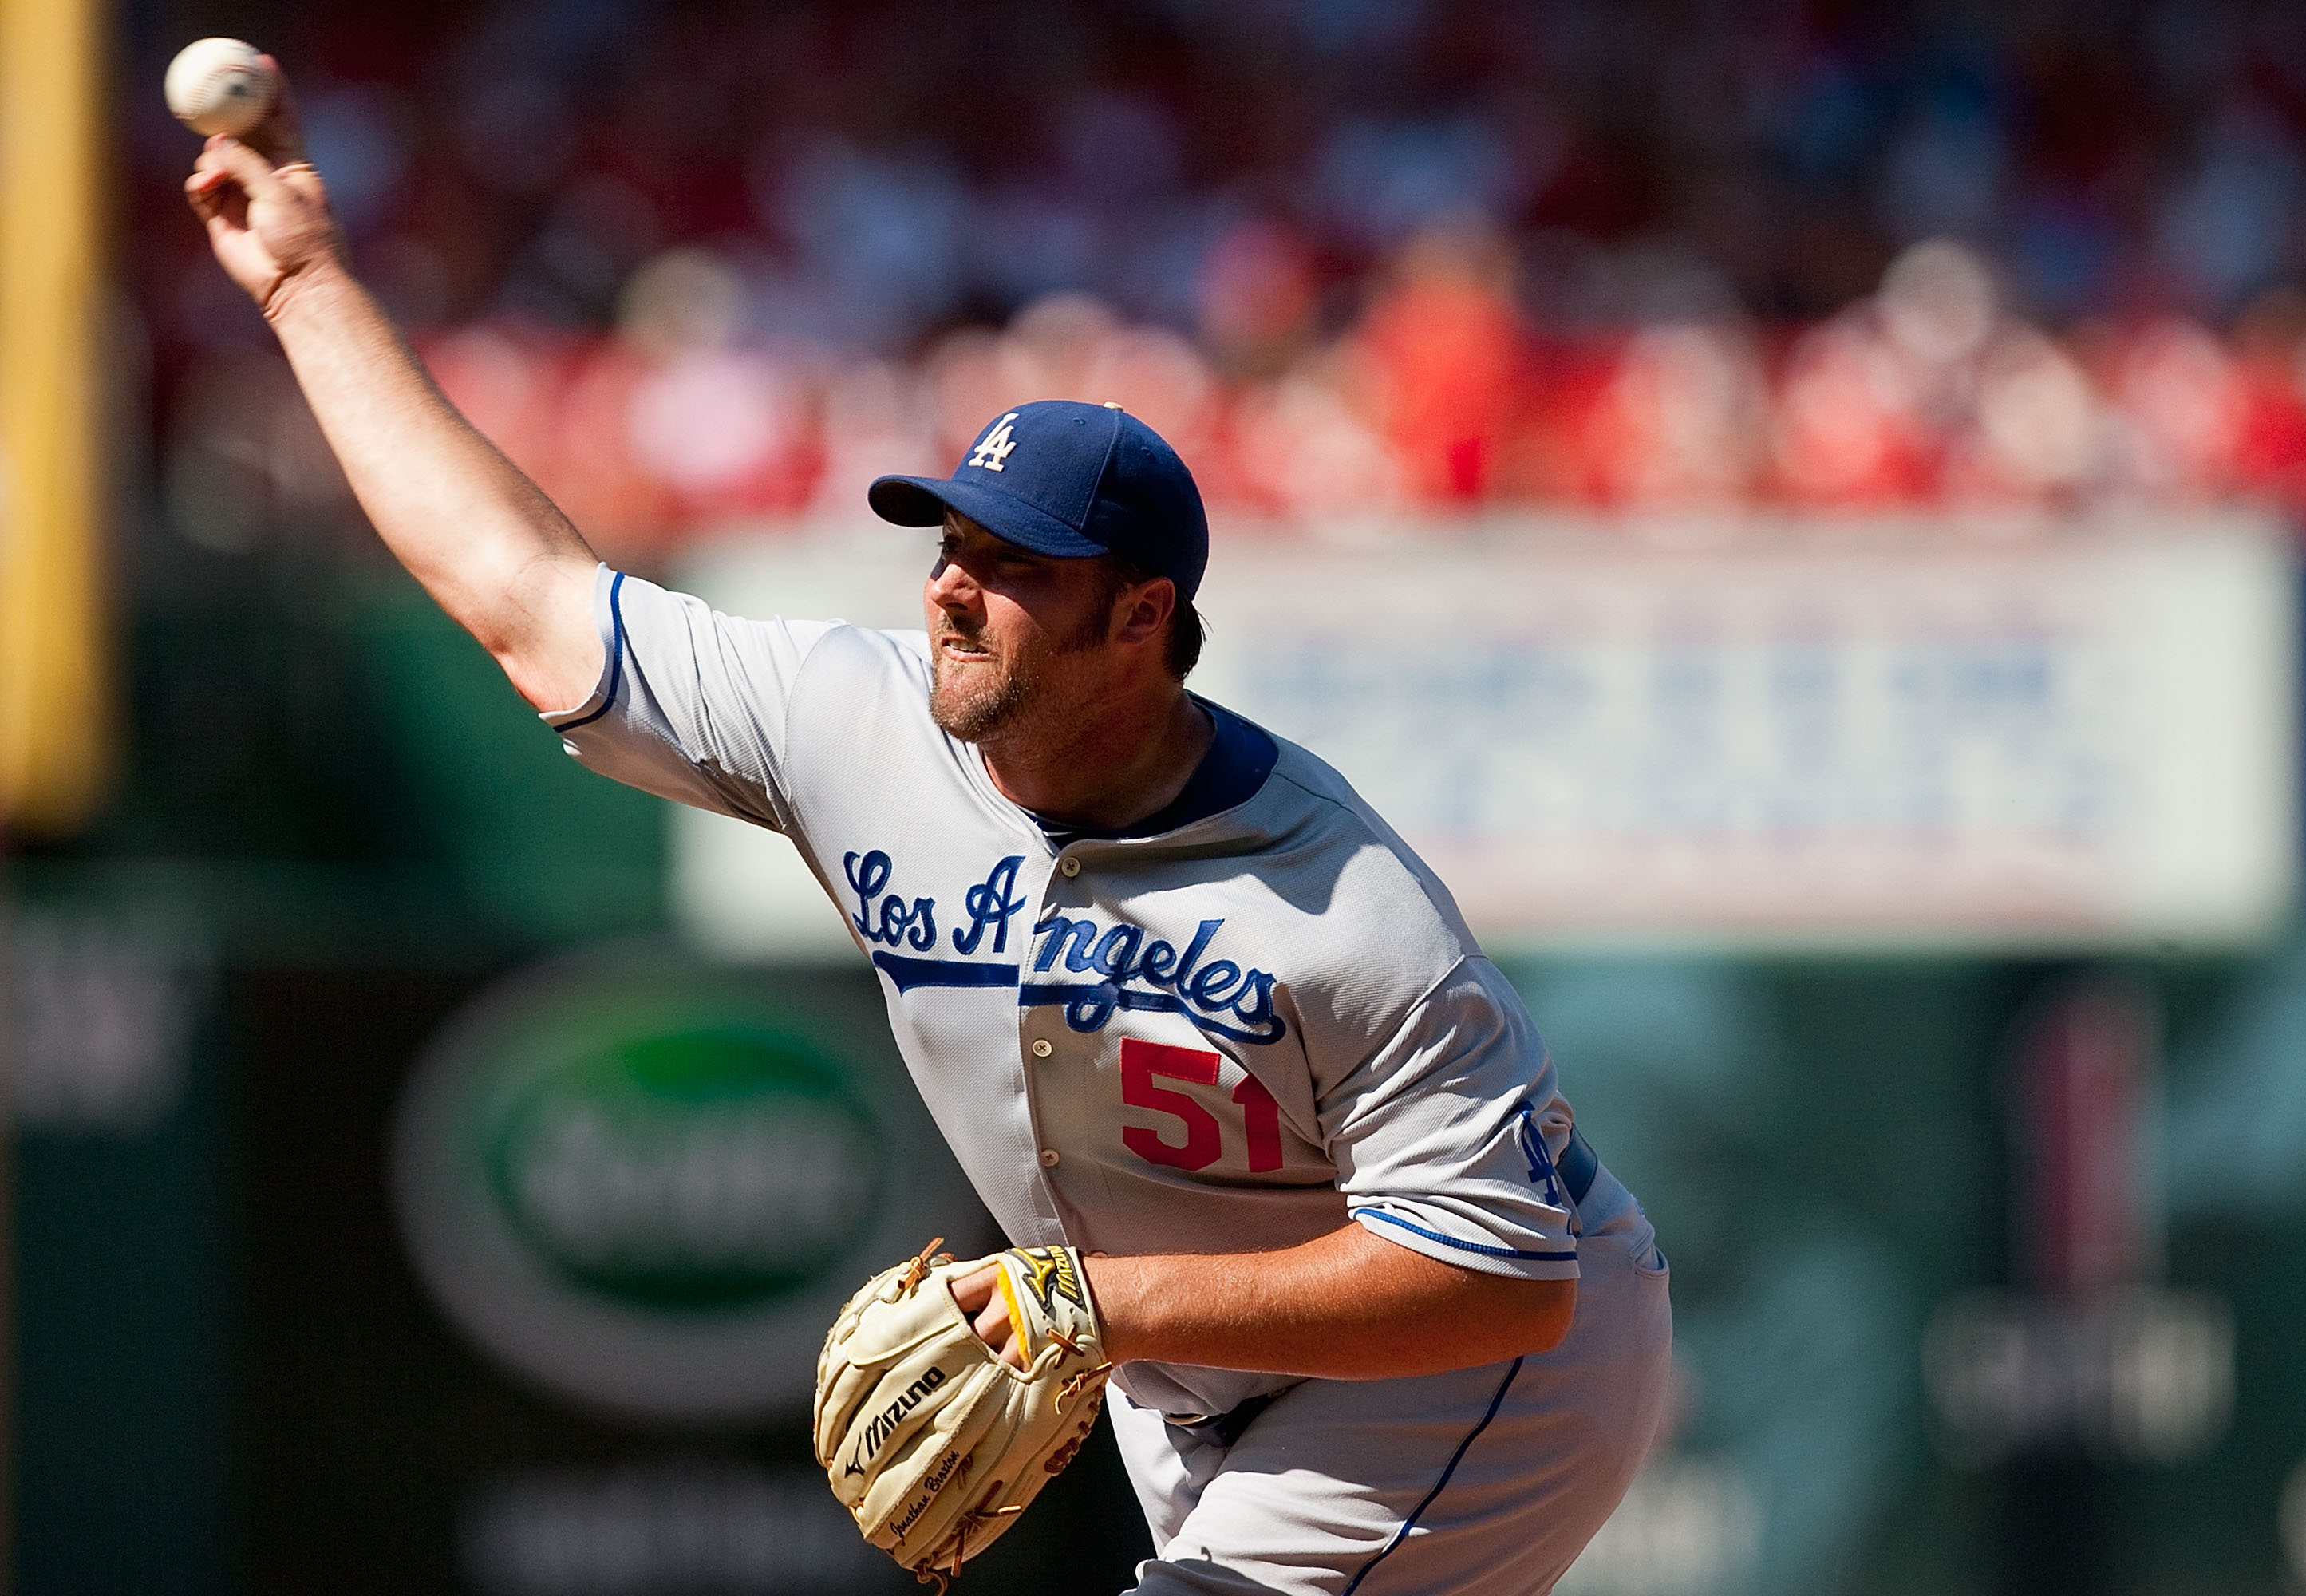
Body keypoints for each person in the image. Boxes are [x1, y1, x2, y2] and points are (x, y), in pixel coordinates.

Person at [184, 63, 1672, 1596]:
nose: (952, 587)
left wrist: (1094, 1305)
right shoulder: (856, 724)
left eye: (1012, 565)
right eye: (950, 542)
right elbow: (521, 592)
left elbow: (1501, 1276)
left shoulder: (1339, 903)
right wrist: (304, 284)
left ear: (1141, 620)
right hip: (1197, 1377)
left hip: (1487, 1376)